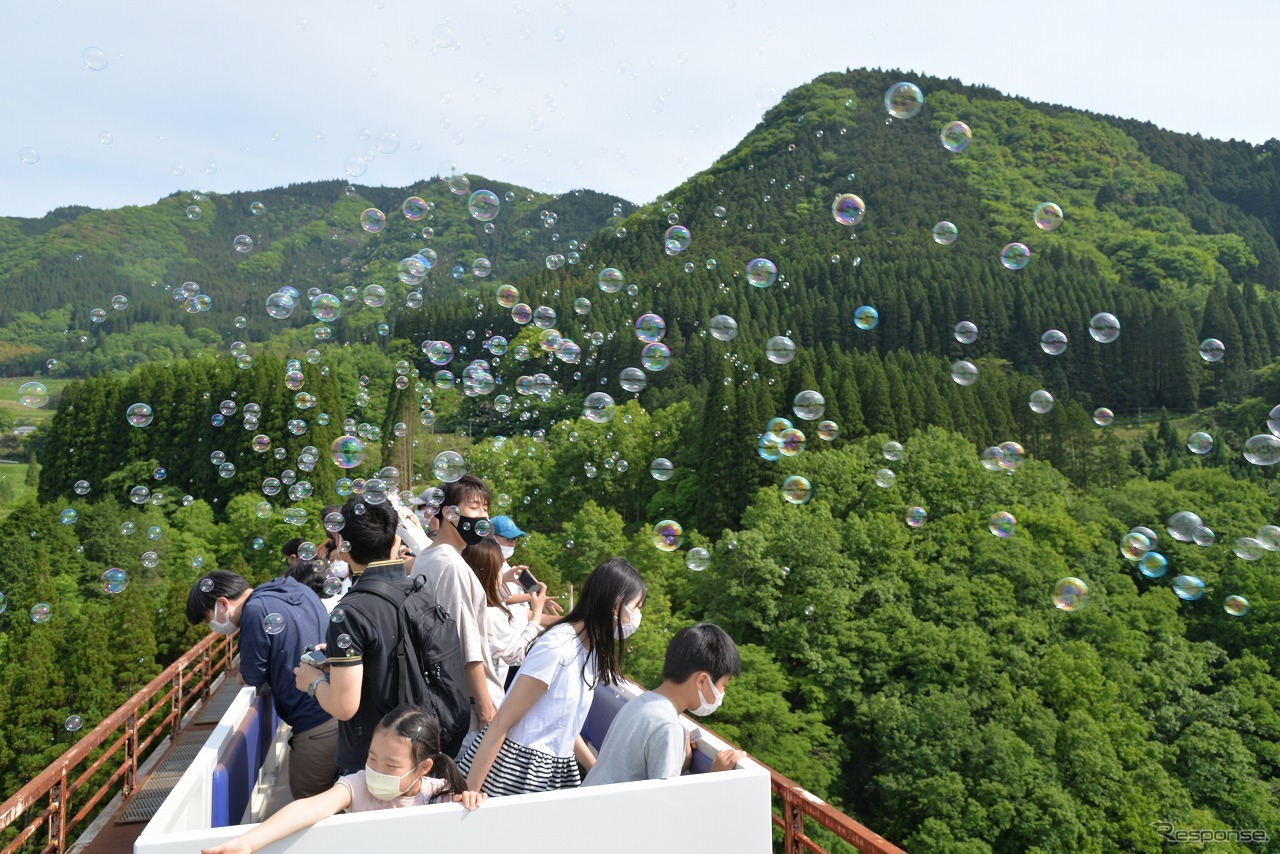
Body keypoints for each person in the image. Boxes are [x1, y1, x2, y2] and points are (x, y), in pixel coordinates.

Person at [458, 558, 646, 796]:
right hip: (515, 772)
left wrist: (595, 768)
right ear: (616, 605)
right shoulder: (558, 646)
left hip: (553, 769)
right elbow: (502, 721)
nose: (638, 615)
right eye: (637, 607)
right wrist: (471, 791)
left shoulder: (591, 650)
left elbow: (563, 724)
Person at [199, 705, 486, 854]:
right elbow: (310, 807)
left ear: (423, 768)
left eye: (390, 765)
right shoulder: (359, 785)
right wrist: (249, 842)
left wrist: (472, 803)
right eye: (372, 758)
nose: (376, 770)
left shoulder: (441, 797)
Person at [186, 570, 339, 799]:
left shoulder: (255, 612)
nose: (214, 627)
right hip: (340, 705)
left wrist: (245, 675)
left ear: (222, 604)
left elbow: (252, 676)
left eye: (209, 619)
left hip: (314, 724)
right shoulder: (295, 589)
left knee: (309, 804)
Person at [292, 497, 418, 773]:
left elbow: (343, 706)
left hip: (374, 756)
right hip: (419, 743)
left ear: (341, 545)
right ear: (395, 542)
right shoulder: (417, 589)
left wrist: (312, 681)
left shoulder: (349, 611)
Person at [582, 623, 745, 787]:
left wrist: (680, 761)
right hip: (608, 811)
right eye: (724, 686)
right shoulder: (669, 727)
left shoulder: (641, 703)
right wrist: (716, 779)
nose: (722, 693)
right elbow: (665, 804)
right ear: (702, 681)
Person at [411, 475, 502, 732]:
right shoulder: (452, 566)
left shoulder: (427, 557)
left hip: (444, 695)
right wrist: (483, 704)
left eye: (486, 508)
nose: (483, 516)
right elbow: (465, 643)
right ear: (450, 514)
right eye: (474, 507)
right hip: (468, 704)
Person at [460, 539, 547, 704]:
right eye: (499, 568)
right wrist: (537, 613)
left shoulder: (462, 599)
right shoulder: (492, 617)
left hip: (463, 694)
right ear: (490, 572)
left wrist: (503, 580)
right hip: (486, 700)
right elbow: (516, 655)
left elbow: (484, 600)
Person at [491, 515, 563, 627]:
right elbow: (499, 596)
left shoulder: (512, 570)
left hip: (519, 638)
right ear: (492, 538)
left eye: (514, 539)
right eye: (508, 538)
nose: (512, 543)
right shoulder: (487, 567)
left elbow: (524, 615)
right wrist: (533, 596)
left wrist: (570, 621)